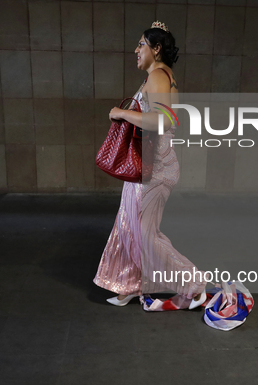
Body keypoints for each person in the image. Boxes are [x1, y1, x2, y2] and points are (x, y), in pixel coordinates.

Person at [93, 21, 208, 311]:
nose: (136, 50)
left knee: (144, 234)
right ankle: (128, 285)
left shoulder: (158, 75)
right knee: (128, 224)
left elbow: (163, 121)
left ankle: (194, 286)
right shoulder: (158, 76)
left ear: (156, 49)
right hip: (145, 165)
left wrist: (121, 113)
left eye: (141, 44)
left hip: (154, 168)